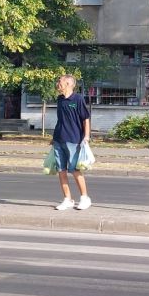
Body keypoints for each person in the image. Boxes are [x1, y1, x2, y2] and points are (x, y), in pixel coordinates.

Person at [51, 74, 92, 211]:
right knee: (61, 171)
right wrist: (54, 137)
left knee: (74, 170)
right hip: (58, 139)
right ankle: (67, 199)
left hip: (74, 140)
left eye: (60, 81)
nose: (58, 83)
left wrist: (86, 136)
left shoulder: (78, 99)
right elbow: (60, 120)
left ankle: (85, 198)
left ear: (68, 83)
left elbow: (85, 119)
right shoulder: (60, 99)